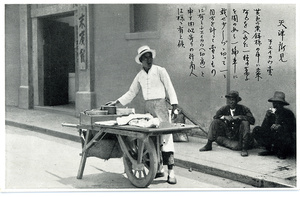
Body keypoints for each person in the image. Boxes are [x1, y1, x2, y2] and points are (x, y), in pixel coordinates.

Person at [107, 45, 179, 184]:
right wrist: (116, 102)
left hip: (161, 106)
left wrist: (174, 106)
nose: (148, 59)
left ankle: (171, 172)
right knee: (150, 139)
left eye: (150, 56)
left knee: (166, 138)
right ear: (140, 60)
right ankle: (158, 169)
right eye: (145, 58)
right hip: (148, 108)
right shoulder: (139, 76)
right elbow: (131, 92)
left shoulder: (160, 71)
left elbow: (170, 87)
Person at [199, 90, 255, 157]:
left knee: (245, 123)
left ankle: (244, 148)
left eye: (233, 99)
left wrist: (239, 117)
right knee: (215, 121)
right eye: (229, 100)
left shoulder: (244, 109)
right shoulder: (224, 108)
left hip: (238, 135)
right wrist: (224, 117)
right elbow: (216, 116)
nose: (231, 102)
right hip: (228, 134)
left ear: (237, 100)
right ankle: (208, 144)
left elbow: (252, 120)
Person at [252, 91, 296, 159]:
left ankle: (282, 151)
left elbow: (292, 128)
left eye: (278, 103)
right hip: (272, 137)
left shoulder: (288, 113)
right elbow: (264, 128)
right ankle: (270, 150)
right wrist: (267, 118)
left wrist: (280, 127)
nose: (275, 105)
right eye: (274, 103)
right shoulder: (271, 113)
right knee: (257, 129)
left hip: (283, 137)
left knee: (285, 135)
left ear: (282, 104)